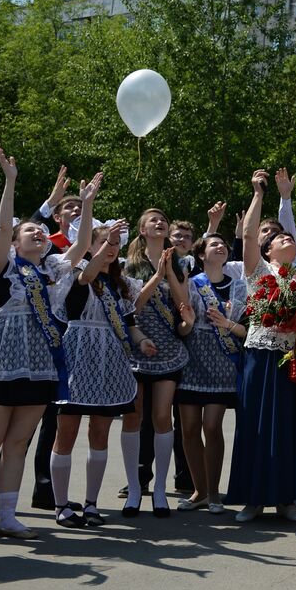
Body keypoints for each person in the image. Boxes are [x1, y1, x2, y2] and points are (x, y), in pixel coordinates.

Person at [0, 152, 91, 546]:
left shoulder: (50, 270)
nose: (38, 233)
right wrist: (10, 181)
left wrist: (86, 205)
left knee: (18, 443)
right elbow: (4, 227)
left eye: (41, 230)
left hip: (40, 365)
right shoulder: (4, 267)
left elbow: (83, 242)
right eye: (29, 231)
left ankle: (8, 515)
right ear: (16, 242)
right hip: (3, 362)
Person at [228, 169, 296, 523]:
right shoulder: (258, 271)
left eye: (291, 237)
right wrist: (259, 193)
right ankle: (253, 499)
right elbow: (246, 235)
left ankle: (288, 499)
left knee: (290, 427)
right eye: (279, 238)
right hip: (262, 356)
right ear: (268, 248)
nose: (287, 239)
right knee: (257, 425)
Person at [49, 218, 155, 529]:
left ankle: (92, 503)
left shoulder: (120, 285)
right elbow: (88, 274)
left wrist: (143, 341)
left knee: (100, 433)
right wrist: (101, 236)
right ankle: (61, 505)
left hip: (109, 360)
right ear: (91, 247)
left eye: (115, 244)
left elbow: (129, 324)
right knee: (65, 433)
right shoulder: (78, 276)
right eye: (104, 243)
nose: (111, 248)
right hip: (77, 357)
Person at [122, 208, 192, 518]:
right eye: (153, 220)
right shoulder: (128, 266)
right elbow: (132, 304)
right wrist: (157, 276)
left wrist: (170, 273)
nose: (160, 222)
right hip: (136, 347)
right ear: (142, 230)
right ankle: (135, 488)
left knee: (163, 416)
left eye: (163, 219)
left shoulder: (180, 263)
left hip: (167, 349)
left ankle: (161, 489)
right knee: (133, 417)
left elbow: (183, 305)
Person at [176, 231, 247, 514]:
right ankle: (199, 491)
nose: (220, 247)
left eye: (223, 244)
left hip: (223, 362)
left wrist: (226, 322)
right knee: (189, 428)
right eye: (213, 244)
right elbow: (180, 328)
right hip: (193, 360)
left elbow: (246, 328)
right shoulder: (191, 284)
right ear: (201, 255)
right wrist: (189, 323)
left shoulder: (239, 287)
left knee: (212, 426)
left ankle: (215, 493)